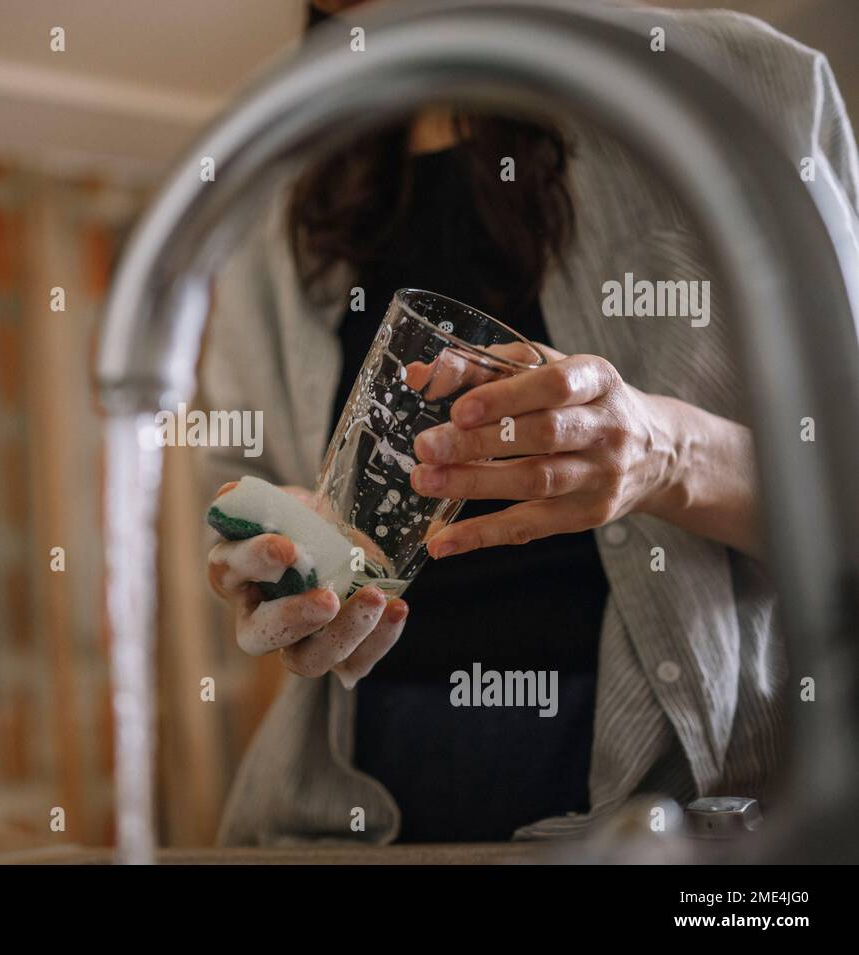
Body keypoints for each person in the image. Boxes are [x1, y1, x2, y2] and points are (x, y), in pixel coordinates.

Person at [200, 0, 859, 845]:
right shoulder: (280, 189)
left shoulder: (740, 89)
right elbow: (239, 491)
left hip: (678, 822)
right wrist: (281, 563)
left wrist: (665, 454)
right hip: (345, 819)